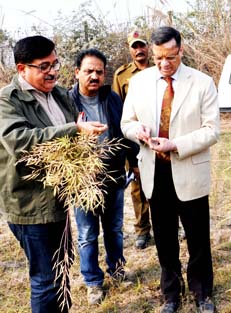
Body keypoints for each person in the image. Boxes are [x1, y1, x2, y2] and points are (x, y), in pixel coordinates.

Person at [0, 36, 107, 313]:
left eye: (55, 63)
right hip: (30, 205)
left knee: (61, 271)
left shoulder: (59, 95)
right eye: (44, 66)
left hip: (58, 201)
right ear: (22, 69)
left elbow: (72, 140)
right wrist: (73, 130)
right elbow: (19, 140)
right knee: (46, 279)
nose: (52, 71)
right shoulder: (7, 101)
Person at [121, 26, 219, 313]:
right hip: (155, 173)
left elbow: (212, 131)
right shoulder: (139, 83)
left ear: (181, 51)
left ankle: (202, 293)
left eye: (171, 57)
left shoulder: (202, 82)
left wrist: (175, 144)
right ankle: (171, 294)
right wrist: (136, 131)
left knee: (198, 238)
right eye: (158, 58)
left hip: (189, 169)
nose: (164, 64)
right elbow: (126, 123)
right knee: (164, 240)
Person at [70, 48, 136, 305]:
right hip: (83, 181)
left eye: (99, 71)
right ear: (77, 73)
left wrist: (134, 161)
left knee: (114, 229)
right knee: (87, 233)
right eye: (88, 71)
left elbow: (124, 132)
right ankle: (92, 282)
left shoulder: (113, 99)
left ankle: (117, 271)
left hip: (112, 176)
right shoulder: (67, 102)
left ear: (105, 73)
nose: (94, 76)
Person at [112, 30, 152, 249]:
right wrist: (127, 147)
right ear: (130, 50)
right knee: (137, 186)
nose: (139, 50)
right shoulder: (122, 75)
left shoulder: (159, 68)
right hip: (134, 137)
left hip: (158, 134)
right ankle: (142, 230)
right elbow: (120, 112)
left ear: (148, 47)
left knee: (166, 184)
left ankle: (171, 225)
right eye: (134, 47)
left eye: (142, 45)